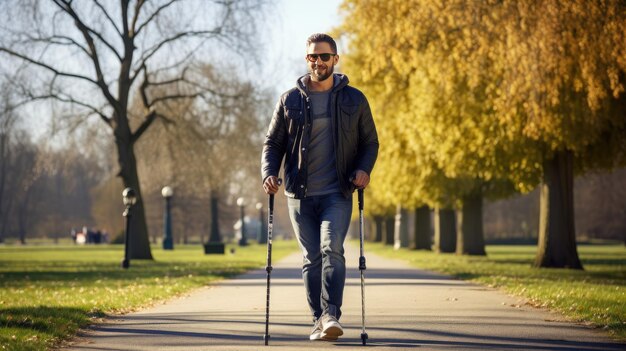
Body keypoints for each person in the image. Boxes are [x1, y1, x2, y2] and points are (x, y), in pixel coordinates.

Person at [261, 33, 378, 341]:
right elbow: (273, 143)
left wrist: (364, 169)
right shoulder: (290, 100)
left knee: (332, 249)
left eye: (324, 56)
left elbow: (370, 142)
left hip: (337, 192)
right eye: (313, 57)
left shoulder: (355, 99)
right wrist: (269, 173)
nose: (319, 62)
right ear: (307, 60)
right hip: (299, 194)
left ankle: (331, 314)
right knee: (311, 257)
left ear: (335, 60)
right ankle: (317, 319)